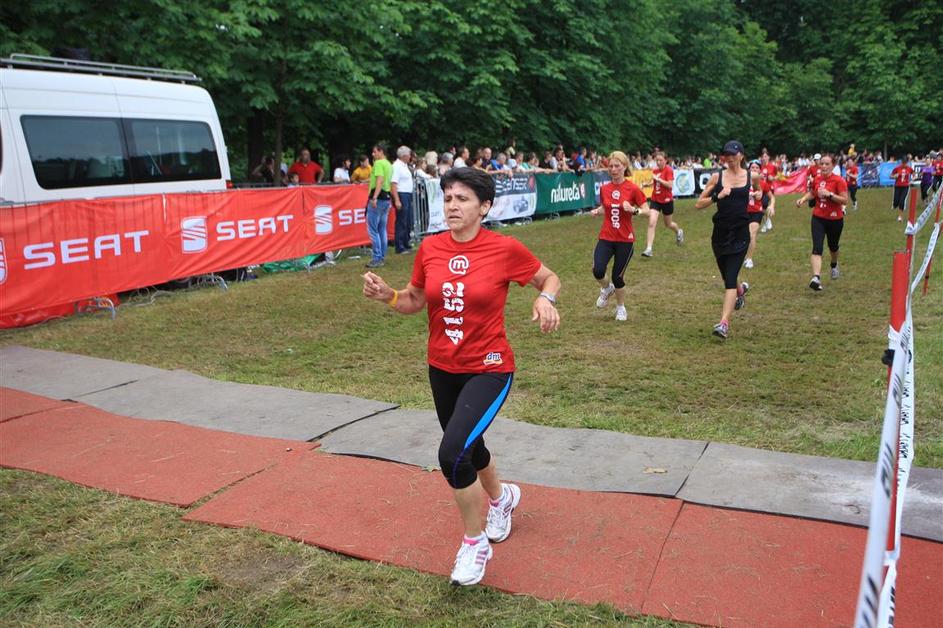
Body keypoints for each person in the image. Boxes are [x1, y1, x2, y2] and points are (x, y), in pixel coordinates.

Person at [361, 167, 560, 587]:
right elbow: (415, 299)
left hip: (490, 368)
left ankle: (474, 543)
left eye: (462, 198)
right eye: (448, 197)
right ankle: (502, 498)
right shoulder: (431, 248)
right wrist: (388, 296)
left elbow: (549, 277)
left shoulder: (504, 249)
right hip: (442, 368)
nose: (452, 205)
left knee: (452, 453)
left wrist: (545, 299)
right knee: (470, 445)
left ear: (484, 207)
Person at [694, 141, 757, 339]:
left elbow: (759, 190)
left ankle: (723, 324)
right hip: (720, 234)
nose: (729, 158)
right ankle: (740, 291)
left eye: (733, 155)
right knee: (727, 275)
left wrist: (759, 196)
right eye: (726, 155)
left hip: (740, 234)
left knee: (729, 279)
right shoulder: (717, 177)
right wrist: (717, 196)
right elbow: (698, 204)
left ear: (741, 156)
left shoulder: (752, 176)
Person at [589, 151, 653, 321]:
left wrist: (634, 210)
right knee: (597, 270)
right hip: (606, 237)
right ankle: (606, 288)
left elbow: (648, 211)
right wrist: (597, 211)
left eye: (617, 166)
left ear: (624, 167)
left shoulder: (633, 188)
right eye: (610, 166)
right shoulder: (605, 189)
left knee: (617, 277)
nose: (613, 169)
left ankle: (620, 308)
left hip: (625, 240)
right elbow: (607, 208)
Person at [795, 154, 849, 291]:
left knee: (833, 246)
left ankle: (834, 264)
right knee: (817, 248)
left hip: (835, 219)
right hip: (818, 218)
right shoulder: (817, 179)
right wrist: (803, 199)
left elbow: (844, 200)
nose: (823, 166)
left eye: (827, 164)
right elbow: (813, 193)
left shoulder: (839, 181)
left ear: (833, 165)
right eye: (822, 164)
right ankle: (816, 277)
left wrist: (830, 194)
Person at [642, 151, 684, 257]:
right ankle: (649, 249)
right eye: (657, 160)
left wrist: (659, 179)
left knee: (668, 224)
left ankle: (678, 231)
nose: (658, 162)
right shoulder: (655, 171)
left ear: (665, 160)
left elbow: (670, 185)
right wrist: (647, 184)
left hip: (667, 201)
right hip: (655, 200)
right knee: (652, 222)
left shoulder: (669, 170)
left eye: (660, 160)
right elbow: (655, 182)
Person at [365, 143, 393, 268]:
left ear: (381, 151)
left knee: (373, 229)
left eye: (375, 151)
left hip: (378, 198)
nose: (373, 154)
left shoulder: (378, 164)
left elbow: (379, 180)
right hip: (386, 198)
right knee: (382, 229)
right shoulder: (389, 164)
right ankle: (382, 256)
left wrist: (374, 197)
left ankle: (377, 257)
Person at [391, 146, 415, 254]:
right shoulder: (396, 166)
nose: (410, 156)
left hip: (407, 194)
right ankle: (399, 246)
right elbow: (393, 183)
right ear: (404, 155)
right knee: (401, 220)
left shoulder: (404, 166)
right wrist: (397, 199)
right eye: (409, 154)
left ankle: (405, 242)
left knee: (408, 220)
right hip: (401, 194)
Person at [744, 161, 765, 269]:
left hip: (756, 211)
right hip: (743, 212)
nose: (754, 169)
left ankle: (749, 259)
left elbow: (762, 195)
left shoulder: (762, 182)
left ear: (760, 170)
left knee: (751, 234)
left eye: (757, 167)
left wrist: (758, 194)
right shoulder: (743, 181)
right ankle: (742, 256)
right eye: (752, 167)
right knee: (742, 235)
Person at [759, 152, 778, 232]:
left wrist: (773, 178)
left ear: (768, 157)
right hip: (761, 188)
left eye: (765, 156)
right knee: (760, 207)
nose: (764, 158)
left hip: (769, 189)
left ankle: (766, 223)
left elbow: (777, 176)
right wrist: (759, 176)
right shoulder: (760, 166)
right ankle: (767, 221)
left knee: (764, 204)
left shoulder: (773, 166)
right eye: (763, 156)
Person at [890, 157, 913, 221]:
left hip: (905, 186)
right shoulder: (897, 168)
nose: (904, 164)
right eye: (903, 162)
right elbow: (890, 176)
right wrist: (894, 176)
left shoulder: (909, 168)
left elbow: (914, 174)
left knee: (902, 201)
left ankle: (900, 216)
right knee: (896, 200)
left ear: (907, 162)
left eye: (905, 163)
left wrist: (912, 180)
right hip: (897, 186)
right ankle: (894, 204)